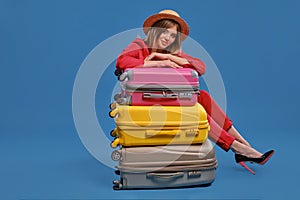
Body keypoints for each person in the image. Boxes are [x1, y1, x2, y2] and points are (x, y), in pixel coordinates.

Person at [115, 9, 274, 174]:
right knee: (196, 110)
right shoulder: (140, 45)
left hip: (165, 97)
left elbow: (200, 67)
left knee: (203, 96)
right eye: (164, 32)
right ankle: (238, 148)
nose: (167, 38)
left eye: (172, 36)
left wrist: (169, 58)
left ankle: (244, 144)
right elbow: (122, 61)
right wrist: (156, 63)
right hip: (144, 99)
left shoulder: (170, 53)